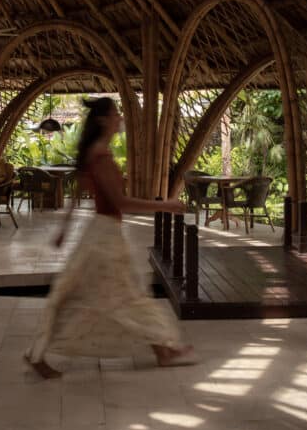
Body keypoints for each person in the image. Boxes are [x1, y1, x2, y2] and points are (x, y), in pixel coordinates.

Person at [25, 97, 194, 379]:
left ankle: (163, 350)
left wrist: (64, 229)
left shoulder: (93, 152)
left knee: (119, 293)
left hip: (100, 233)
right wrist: (165, 205)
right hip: (104, 236)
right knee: (126, 294)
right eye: (116, 114)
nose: (120, 119)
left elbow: (77, 196)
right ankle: (164, 350)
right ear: (103, 119)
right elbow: (120, 202)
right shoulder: (101, 156)